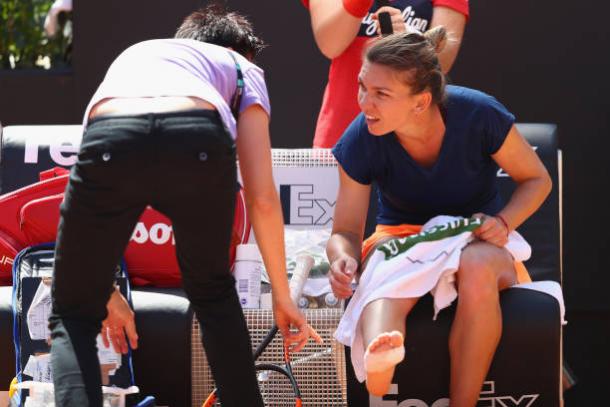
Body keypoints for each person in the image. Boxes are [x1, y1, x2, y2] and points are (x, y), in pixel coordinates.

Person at [49, 5, 320, 407]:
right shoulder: (241, 67)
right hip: (198, 140)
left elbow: (91, 188)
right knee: (213, 295)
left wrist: (103, 288)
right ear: (236, 50)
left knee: (72, 312)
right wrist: (283, 296)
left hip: (111, 135)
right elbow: (262, 197)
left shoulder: (135, 56)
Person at [326, 29, 552, 406]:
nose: (366, 102)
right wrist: (341, 258)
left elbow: (537, 179)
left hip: (475, 237)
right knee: (381, 271)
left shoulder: (480, 113)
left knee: (478, 264)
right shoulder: (361, 135)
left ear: (421, 102)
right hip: (400, 238)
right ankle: (381, 359)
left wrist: (504, 222)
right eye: (363, 86)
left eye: (381, 94)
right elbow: (345, 231)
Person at [301, 0, 469, 148]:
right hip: (343, 134)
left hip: (412, 140)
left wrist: (409, 38)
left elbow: (443, 60)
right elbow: (330, 44)